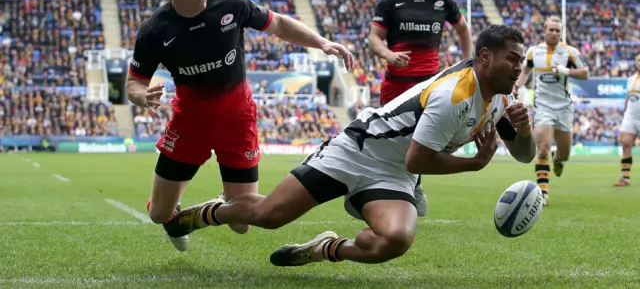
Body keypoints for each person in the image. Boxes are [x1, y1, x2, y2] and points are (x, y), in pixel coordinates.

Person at [165, 25, 536, 265]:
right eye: (513, 60)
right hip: (357, 151)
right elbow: (418, 157)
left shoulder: (501, 97)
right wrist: (473, 164)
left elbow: (524, 154)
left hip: (395, 175)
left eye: (522, 61)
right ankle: (206, 213)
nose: (519, 68)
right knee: (268, 216)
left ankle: (325, 248)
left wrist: (524, 130)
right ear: (485, 57)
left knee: (394, 240)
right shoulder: (454, 96)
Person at [126, 0, 355, 252]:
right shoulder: (155, 31)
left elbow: (280, 24)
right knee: (158, 214)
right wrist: (143, 96)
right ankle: (177, 209)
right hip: (189, 124)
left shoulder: (231, 5)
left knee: (242, 222)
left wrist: (322, 43)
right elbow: (134, 82)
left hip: (237, 120)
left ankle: (204, 212)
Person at [368, 0, 473, 217]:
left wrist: (468, 62)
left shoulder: (443, 1)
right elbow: (374, 39)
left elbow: (462, 29)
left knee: (419, 138)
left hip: (428, 87)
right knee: (388, 139)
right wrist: (389, 54)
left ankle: (413, 185)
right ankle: (381, 185)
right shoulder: (391, 1)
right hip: (395, 84)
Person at [513, 16, 588, 206]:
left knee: (565, 153)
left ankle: (559, 160)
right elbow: (525, 71)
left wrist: (565, 71)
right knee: (543, 147)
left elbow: (585, 73)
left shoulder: (569, 53)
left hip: (563, 107)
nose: (554, 33)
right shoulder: (533, 52)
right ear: (544, 31)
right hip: (542, 106)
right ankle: (543, 193)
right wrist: (517, 85)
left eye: (557, 30)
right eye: (551, 30)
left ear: (561, 33)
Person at [614, 54, 640, 187]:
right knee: (625, 144)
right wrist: (625, 112)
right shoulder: (630, 80)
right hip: (630, 116)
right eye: (638, 61)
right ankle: (625, 178)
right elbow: (628, 97)